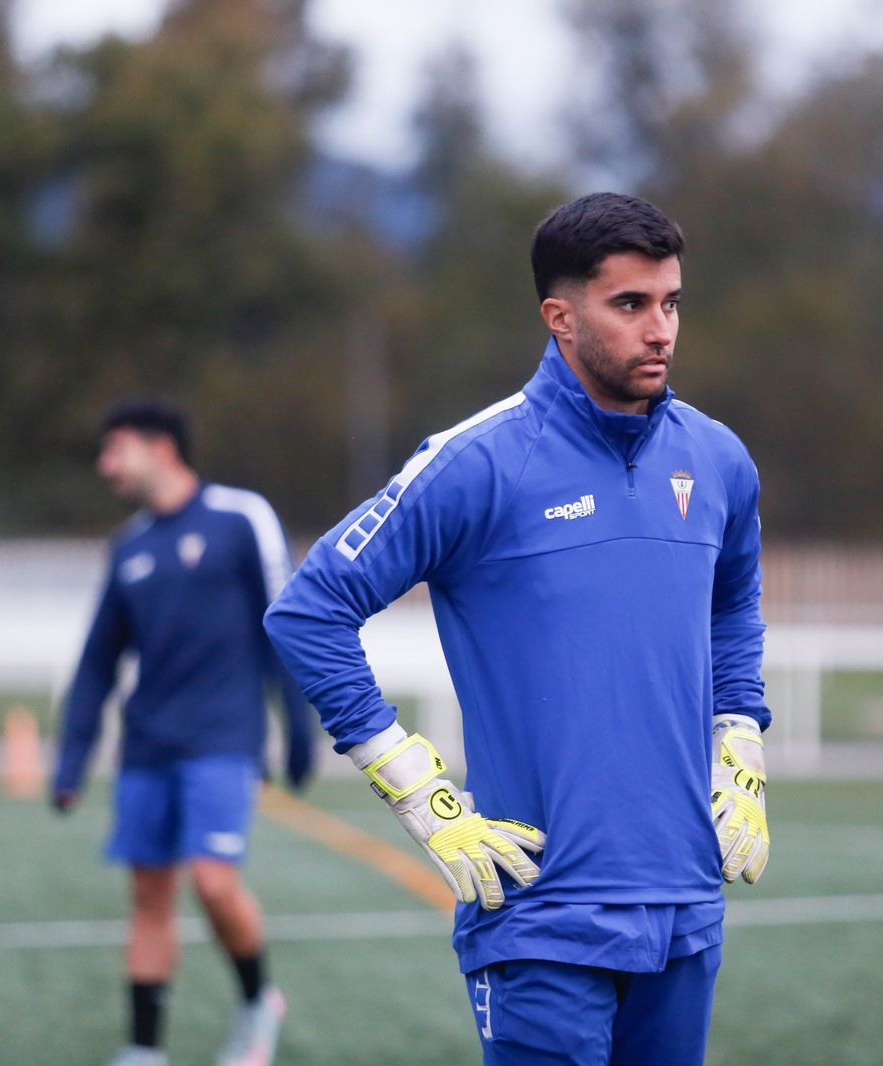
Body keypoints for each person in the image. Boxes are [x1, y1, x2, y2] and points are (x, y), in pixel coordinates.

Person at [265, 192, 770, 1065]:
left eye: (672, 302)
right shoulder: (478, 462)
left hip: (687, 900)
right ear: (560, 316)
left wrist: (740, 738)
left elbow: (734, 602)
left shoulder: (719, 459)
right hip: (540, 909)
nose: (661, 330)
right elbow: (308, 611)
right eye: (630, 305)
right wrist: (412, 785)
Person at [52, 399, 314, 1066]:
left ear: (161, 447)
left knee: (214, 882)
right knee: (148, 896)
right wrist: (72, 759)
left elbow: (286, 621)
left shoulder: (239, 517)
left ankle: (259, 1002)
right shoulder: (130, 546)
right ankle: (143, 1050)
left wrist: (302, 729)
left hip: (224, 739)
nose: (105, 465)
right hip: (146, 746)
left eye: (116, 449)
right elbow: (97, 661)